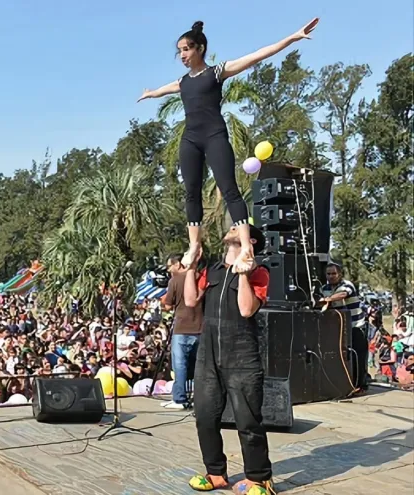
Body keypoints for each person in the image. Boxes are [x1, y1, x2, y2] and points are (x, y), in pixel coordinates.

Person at [138, 18, 319, 274]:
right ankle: (194, 245)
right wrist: (152, 93)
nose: (182, 55)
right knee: (191, 191)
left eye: (186, 49)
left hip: (214, 136)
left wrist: (292, 37)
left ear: (200, 48)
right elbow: (168, 88)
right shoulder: (183, 82)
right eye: (179, 51)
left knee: (229, 188)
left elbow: (256, 56)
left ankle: (246, 247)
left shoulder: (217, 72)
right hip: (190, 139)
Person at [183, 224, 275, 494]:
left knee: (248, 421)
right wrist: (191, 266)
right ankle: (216, 474)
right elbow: (190, 300)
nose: (233, 227)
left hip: (242, 354)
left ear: (251, 240)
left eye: (239, 227)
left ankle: (260, 479)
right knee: (204, 416)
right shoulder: (213, 270)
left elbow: (246, 309)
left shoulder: (259, 272)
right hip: (209, 353)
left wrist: (243, 273)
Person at [161, 253, 203, 410]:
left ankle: (179, 399)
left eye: (169, 266)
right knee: (200, 365)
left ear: (178, 264)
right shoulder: (201, 277)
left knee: (180, 366)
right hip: (201, 327)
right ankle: (200, 398)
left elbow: (167, 305)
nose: (168, 270)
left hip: (182, 328)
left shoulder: (175, 280)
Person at [319, 262, 368, 390]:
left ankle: (361, 385)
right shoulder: (324, 288)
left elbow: (343, 294)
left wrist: (328, 299)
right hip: (339, 328)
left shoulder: (347, 285)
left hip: (356, 325)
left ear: (340, 274)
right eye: (328, 274)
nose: (331, 276)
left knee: (357, 355)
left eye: (334, 273)